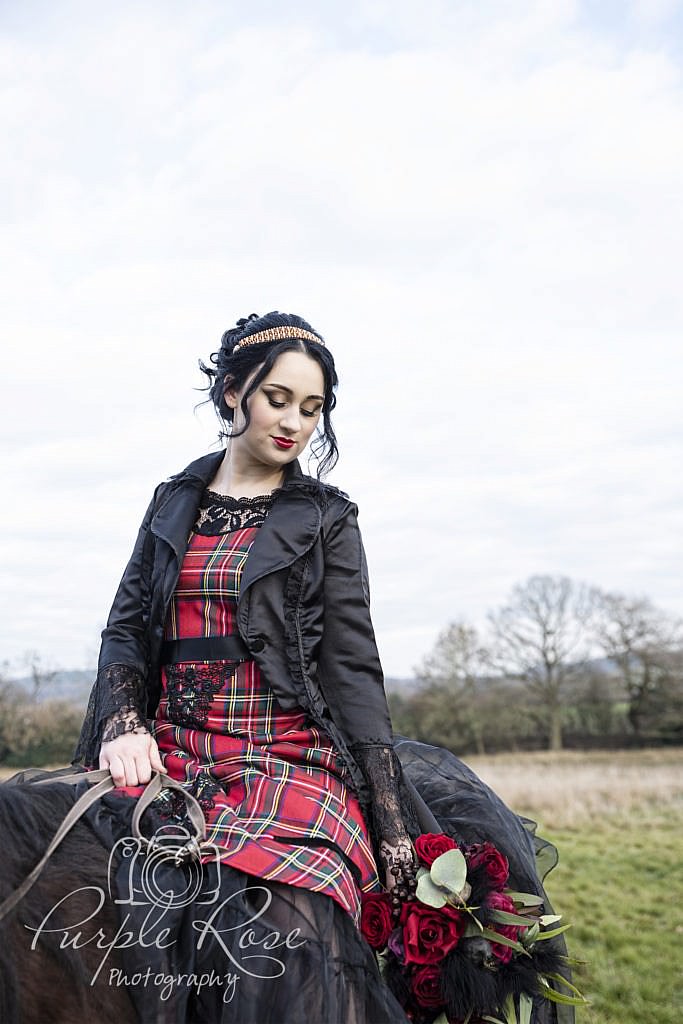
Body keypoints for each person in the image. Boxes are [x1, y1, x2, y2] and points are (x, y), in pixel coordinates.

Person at [73, 312, 570, 1024]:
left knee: (287, 934)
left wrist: (390, 818)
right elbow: (126, 628)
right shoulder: (172, 502)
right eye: (278, 398)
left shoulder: (327, 517)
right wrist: (123, 721)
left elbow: (352, 670)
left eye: (312, 409)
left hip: (288, 759)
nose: (295, 423)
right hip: (171, 753)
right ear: (230, 394)